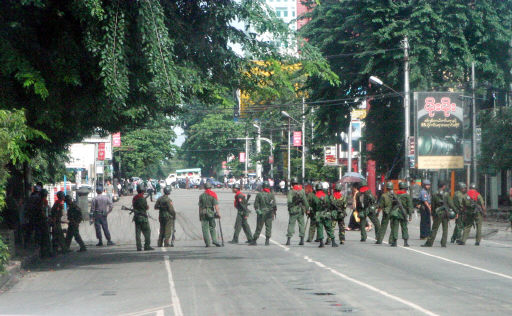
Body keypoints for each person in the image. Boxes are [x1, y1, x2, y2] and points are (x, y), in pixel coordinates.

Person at [422, 182, 455, 248]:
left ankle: (429, 243)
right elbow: (451, 204)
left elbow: (433, 206)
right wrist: (456, 212)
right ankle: (443, 243)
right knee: (445, 229)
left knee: (434, 229)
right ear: (444, 186)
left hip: (438, 213)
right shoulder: (446, 194)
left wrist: (432, 214)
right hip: (446, 213)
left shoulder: (434, 194)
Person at [251, 181, 277, 246]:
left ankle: (254, 240)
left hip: (261, 213)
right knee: (268, 227)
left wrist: (258, 211)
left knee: (259, 227)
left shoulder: (259, 194)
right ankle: (267, 240)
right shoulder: (271, 195)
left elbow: (256, 205)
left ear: (262, 187)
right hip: (270, 213)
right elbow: (274, 205)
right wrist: (274, 212)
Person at [312, 183, 337, 248]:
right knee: (329, 228)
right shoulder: (326, 196)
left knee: (320, 228)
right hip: (326, 213)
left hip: (318, 214)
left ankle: (321, 243)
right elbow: (329, 205)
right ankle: (333, 242)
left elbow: (313, 207)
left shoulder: (314, 197)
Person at [286, 177, 309, 246]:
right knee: (302, 224)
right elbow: (305, 201)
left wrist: (290, 207)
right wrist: (307, 209)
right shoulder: (302, 191)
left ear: (292, 183)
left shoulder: (291, 191)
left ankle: (288, 240)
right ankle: (302, 240)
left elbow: (289, 201)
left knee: (291, 224)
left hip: (293, 210)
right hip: (300, 210)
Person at [389, 182, 413, 247]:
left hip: (395, 213)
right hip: (403, 213)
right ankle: (405, 242)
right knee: (404, 227)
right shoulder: (407, 195)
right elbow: (409, 206)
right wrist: (410, 215)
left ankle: (394, 242)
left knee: (395, 227)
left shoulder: (395, 194)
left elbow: (391, 204)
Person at [198, 182, 221, 247]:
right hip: (211, 212)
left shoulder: (201, 196)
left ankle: (207, 243)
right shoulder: (213, 194)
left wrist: (199, 215)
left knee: (205, 229)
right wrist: (218, 213)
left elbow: (200, 206)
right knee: (212, 227)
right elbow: (216, 205)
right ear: (210, 187)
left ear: (205, 188)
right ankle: (214, 240)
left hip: (203, 212)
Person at [132, 185, 154, 251]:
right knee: (147, 231)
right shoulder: (142, 199)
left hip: (136, 217)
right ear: (143, 191)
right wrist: (147, 207)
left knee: (138, 233)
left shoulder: (135, 198)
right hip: (143, 217)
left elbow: (134, 206)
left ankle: (139, 247)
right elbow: (145, 207)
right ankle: (147, 246)